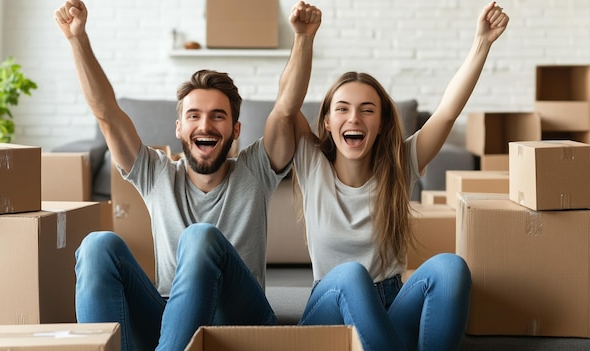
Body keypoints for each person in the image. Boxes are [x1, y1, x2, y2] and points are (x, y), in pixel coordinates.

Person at [54, 1, 321, 350]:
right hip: (169, 320)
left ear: (236, 129)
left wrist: (302, 38)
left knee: (200, 237)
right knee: (96, 245)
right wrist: (78, 39)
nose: (205, 125)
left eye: (218, 116)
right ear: (179, 129)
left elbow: (286, 108)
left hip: (241, 319)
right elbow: (106, 113)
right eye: (194, 116)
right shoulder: (156, 173)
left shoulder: (256, 170)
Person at [289, 2, 508, 351]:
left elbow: (448, 113)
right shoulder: (311, 160)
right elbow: (288, 104)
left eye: (367, 110)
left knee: (451, 267)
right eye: (342, 109)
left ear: (382, 123)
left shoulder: (399, 163)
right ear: (328, 123)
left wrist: (482, 42)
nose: (354, 119)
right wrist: (303, 39)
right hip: (330, 309)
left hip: (389, 307)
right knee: (349, 275)